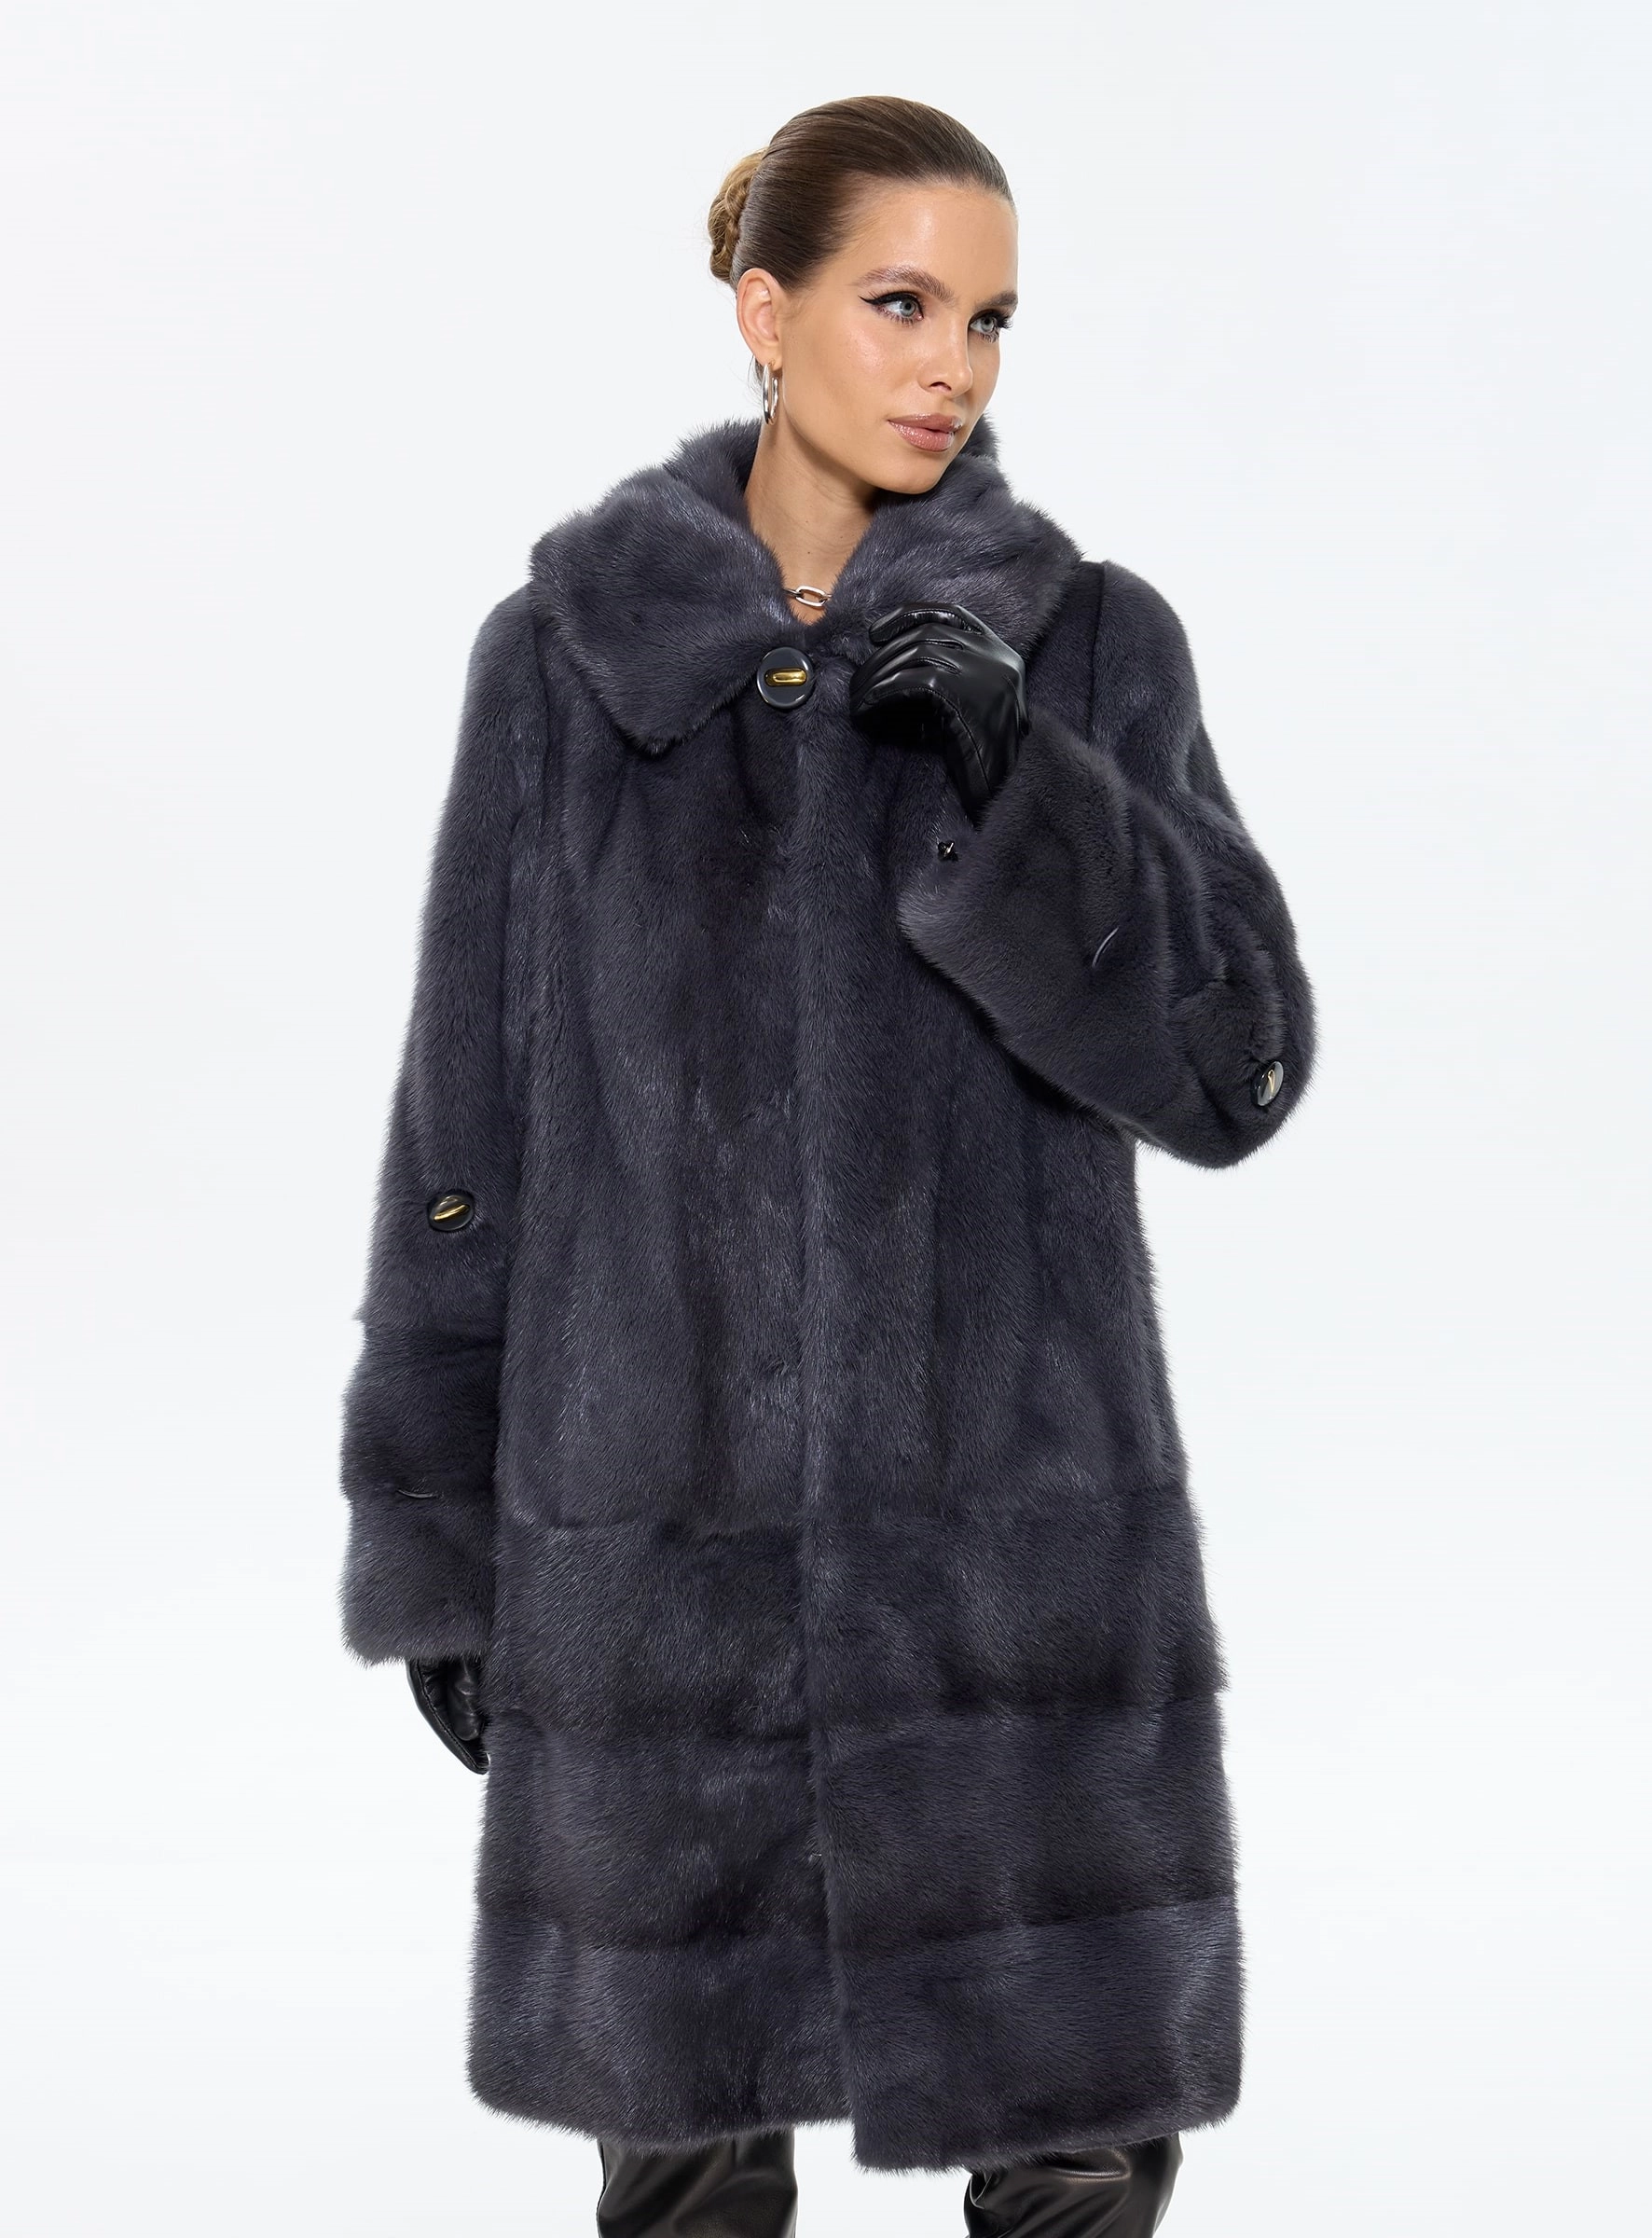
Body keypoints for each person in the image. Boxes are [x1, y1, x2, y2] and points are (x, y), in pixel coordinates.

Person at [337, 93, 1316, 2238]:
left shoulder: (1089, 647)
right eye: (901, 304)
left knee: (1071, 2159)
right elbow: (462, 1136)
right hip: (654, 1563)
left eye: (990, 318)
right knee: (685, 2164)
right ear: (765, 314)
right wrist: (438, 1552)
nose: (953, 365)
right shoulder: (567, 668)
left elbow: (1233, 1063)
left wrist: (1018, 775)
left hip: (1013, 1582)